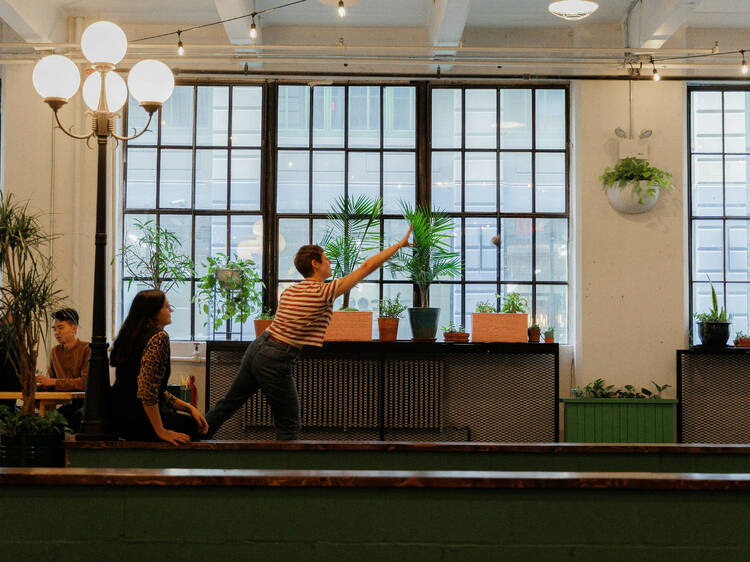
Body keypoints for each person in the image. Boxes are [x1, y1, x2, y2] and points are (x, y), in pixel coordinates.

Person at [205, 225, 413, 440]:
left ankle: (190, 441)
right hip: (276, 356)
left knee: (227, 404)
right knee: (289, 425)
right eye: (326, 259)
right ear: (315, 264)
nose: (330, 262)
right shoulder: (324, 292)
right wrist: (398, 245)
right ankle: (285, 473)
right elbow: (367, 266)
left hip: (258, 348)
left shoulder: (291, 290)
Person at [110, 290, 208, 445]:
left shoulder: (131, 337)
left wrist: (189, 408)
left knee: (191, 420)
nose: (171, 310)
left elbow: (156, 390)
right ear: (153, 312)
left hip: (118, 415)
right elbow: (146, 391)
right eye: (167, 306)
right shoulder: (158, 337)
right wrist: (161, 430)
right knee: (196, 427)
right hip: (138, 418)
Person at [35, 308, 89, 431]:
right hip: (68, 403)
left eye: (61, 328)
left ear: (74, 328)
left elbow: (85, 383)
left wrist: (52, 382)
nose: (56, 333)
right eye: (55, 329)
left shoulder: (87, 349)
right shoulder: (55, 351)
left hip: (88, 404)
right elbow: (51, 380)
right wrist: (40, 384)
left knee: (71, 417)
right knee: (49, 421)